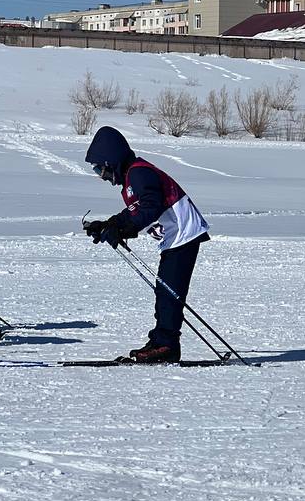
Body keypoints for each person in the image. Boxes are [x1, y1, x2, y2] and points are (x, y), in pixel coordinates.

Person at [81, 126, 210, 363]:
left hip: (184, 234)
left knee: (169, 292)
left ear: (112, 161)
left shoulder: (139, 173)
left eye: (101, 169)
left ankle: (167, 345)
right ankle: (162, 341)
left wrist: (123, 229)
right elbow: (136, 208)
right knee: (164, 291)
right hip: (175, 238)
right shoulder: (133, 176)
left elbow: (151, 205)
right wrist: (109, 224)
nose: (102, 176)